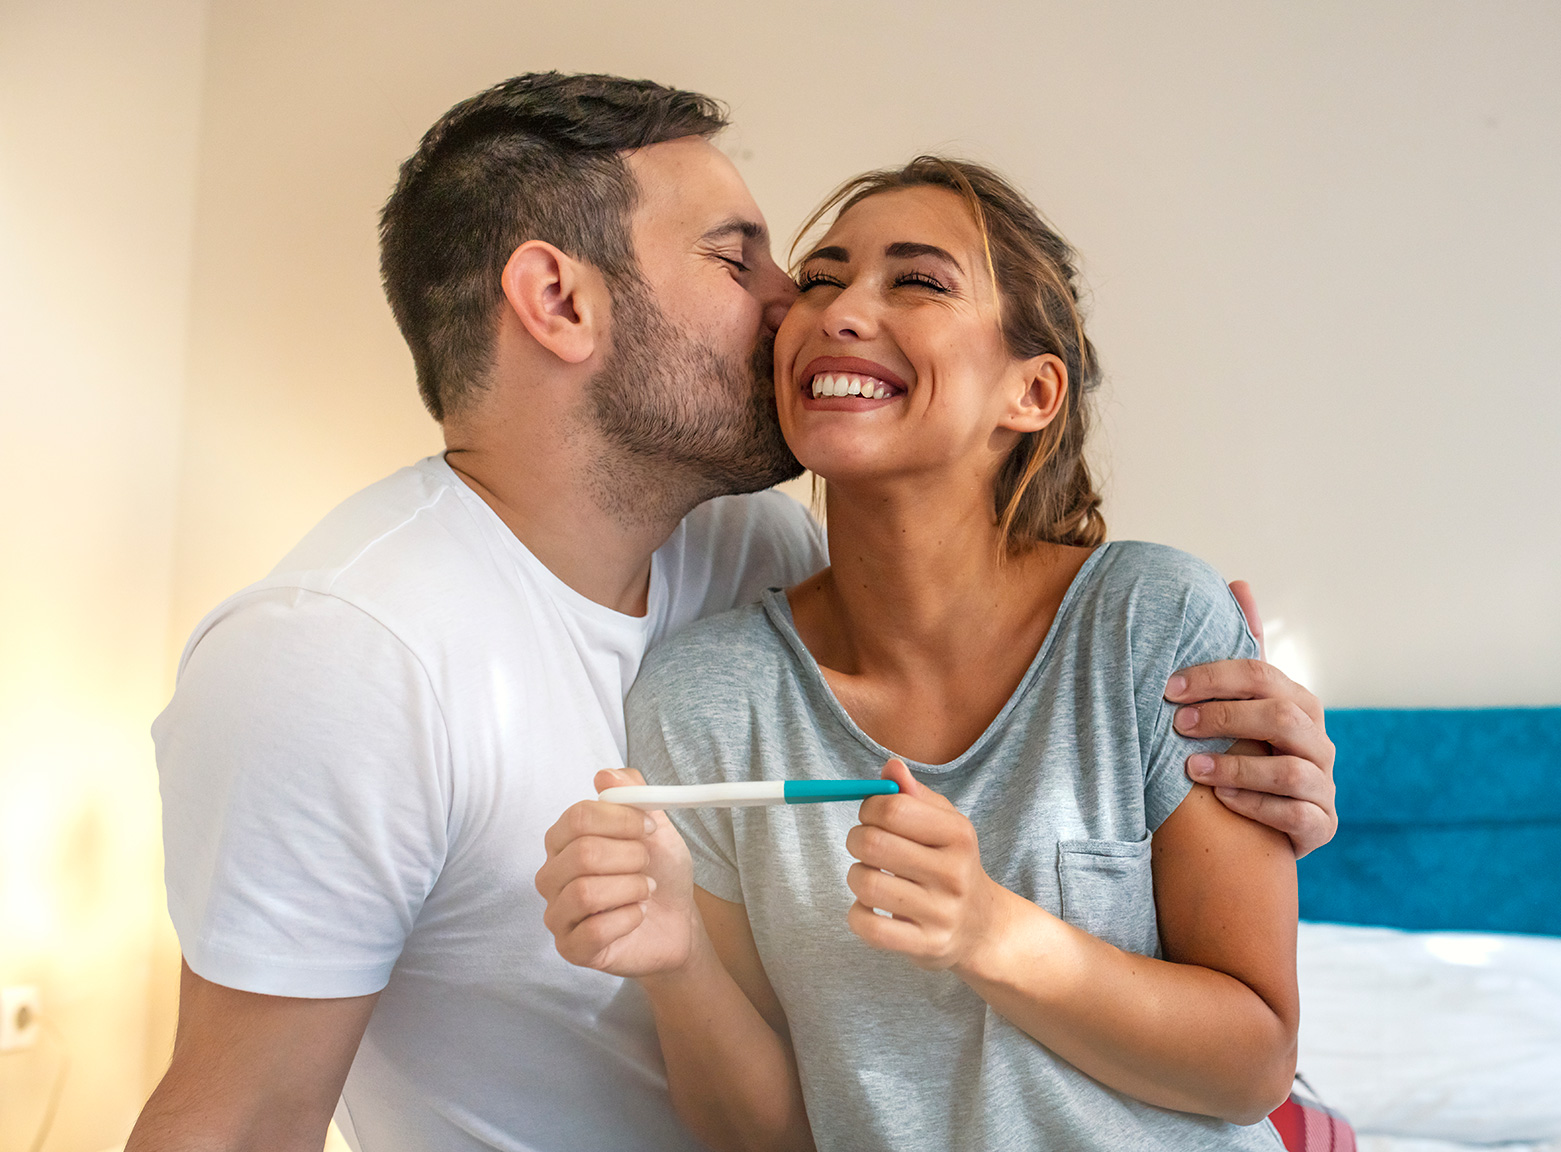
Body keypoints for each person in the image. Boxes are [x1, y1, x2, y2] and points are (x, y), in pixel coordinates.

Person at [129, 73, 1335, 1152]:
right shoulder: (341, 655)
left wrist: (1243, 717)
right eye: (746, 258)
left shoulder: (745, 541)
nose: (792, 307)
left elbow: (985, 605)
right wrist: (685, 958)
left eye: (887, 278)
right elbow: (237, 1117)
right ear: (559, 300)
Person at [540, 158, 1299, 1150]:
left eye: (919, 281)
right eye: (821, 278)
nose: (839, 312)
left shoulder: (1152, 624)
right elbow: (764, 1139)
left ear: (1031, 392)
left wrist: (993, 934)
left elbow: (1252, 1067)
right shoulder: (706, 700)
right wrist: (676, 962)